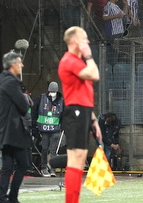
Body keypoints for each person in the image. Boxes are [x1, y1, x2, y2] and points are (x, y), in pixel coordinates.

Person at [57, 26, 102, 203]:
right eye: (84, 38)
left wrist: (93, 119)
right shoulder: (69, 61)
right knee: (75, 160)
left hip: (82, 111)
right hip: (75, 111)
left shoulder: (77, 61)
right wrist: (89, 55)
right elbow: (94, 74)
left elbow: (83, 93)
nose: (88, 41)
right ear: (74, 41)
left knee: (80, 158)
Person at [0, 51, 32, 203]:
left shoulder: (2, 81)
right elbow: (24, 107)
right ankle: (12, 197)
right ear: (12, 65)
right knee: (23, 164)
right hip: (14, 131)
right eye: (19, 62)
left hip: (4, 130)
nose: (21, 65)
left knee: (7, 166)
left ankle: (3, 198)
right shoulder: (11, 83)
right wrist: (26, 98)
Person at [35, 81, 64, 177]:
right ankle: (44, 168)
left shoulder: (61, 101)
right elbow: (34, 110)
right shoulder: (41, 98)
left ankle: (52, 169)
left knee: (53, 150)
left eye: (54, 91)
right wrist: (35, 124)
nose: (52, 93)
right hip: (44, 129)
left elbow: (64, 114)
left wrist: (63, 125)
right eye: (51, 91)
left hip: (55, 129)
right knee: (44, 149)